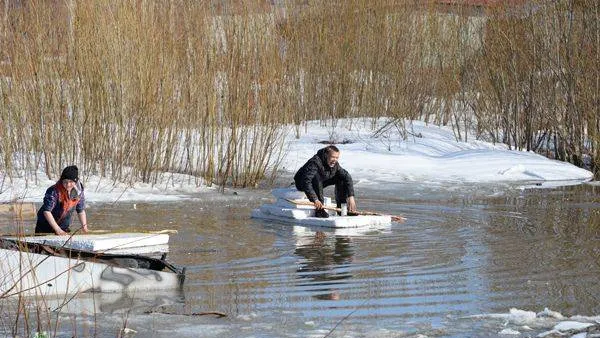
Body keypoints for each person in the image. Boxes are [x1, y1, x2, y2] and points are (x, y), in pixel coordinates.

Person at [294, 145, 357, 218]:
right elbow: (306, 181)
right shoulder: (315, 162)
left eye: (337, 158)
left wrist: (351, 196)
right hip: (302, 183)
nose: (335, 160)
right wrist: (315, 199)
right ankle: (319, 210)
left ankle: (342, 209)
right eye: (333, 157)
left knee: (342, 178)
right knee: (317, 177)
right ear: (326, 155)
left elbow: (347, 176)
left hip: (319, 181)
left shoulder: (335, 164)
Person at [35, 165, 88, 235]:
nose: (68, 185)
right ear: (61, 180)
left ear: (76, 181)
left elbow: (80, 210)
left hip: (63, 227)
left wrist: (84, 227)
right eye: (65, 181)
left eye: (71, 181)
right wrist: (57, 229)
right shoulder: (53, 191)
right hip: (45, 226)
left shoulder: (79, 191)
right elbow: (47, 211)